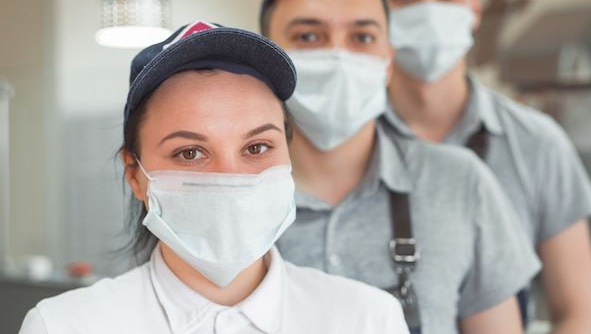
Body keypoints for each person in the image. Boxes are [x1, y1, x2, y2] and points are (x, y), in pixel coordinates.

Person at [18, 21, 411, 334]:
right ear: (135, 175)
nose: (231, 178)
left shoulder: (367, 319)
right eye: (190, 153)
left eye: (256, 148)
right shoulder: (64, 326)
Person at [260, 0, 541, 333]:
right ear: (266, 56)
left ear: (388, 62)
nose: (339, 57)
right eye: (308, 36)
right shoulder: (231, 200)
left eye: (362, 37)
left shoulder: (462, 184)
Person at [382, 0, 591, 333]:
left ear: (473, 11)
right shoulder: (352, 142)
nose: (429, 10)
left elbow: (579, 311)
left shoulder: (538, 142)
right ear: (380, 15)